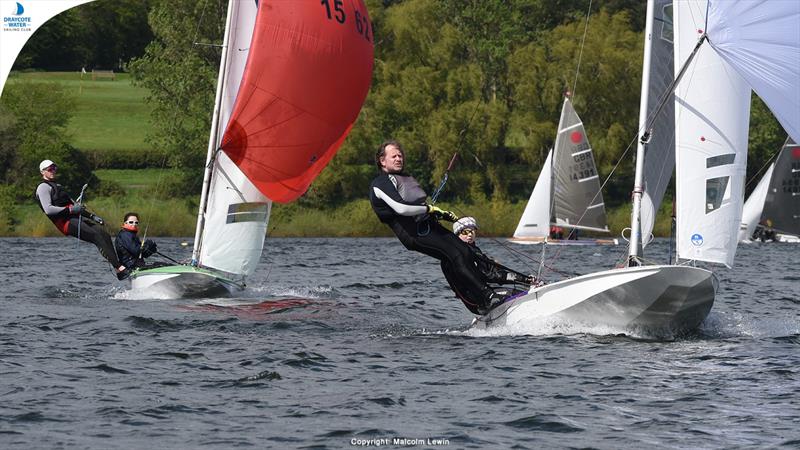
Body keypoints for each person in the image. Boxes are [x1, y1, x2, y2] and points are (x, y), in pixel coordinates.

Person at [369, 140, 506, 314]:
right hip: (414, 235)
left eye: (400, 155)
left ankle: (486, 293)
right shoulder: (379, 183)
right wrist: (429, 208)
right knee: (455, 255)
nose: (398, 158)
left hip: (427, 226)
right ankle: (487, 296)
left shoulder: (403, 178)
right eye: (394, 156)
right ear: (382, 161)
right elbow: (401, 208)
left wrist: (439, 213)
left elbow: (418, 205)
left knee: (465, 251)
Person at [34, 159, 129, 280]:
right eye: (50, 169)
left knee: (104, 234)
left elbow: (74, 205)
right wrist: (70, 210)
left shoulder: (58, 186)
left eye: (54, 168)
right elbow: (48, 209)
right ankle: (120, 268)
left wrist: (92, 216)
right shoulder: (43, 187)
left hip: (75, 217)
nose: (53, 171)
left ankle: (119, 268)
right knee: (97, 237)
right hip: (65, 223)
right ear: (43, 172)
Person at [442, 217, 537, 314]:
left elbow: (494, 269)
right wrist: (523, 280)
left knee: (520, 291)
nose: (470, 234)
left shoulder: (475, 250)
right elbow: (487, 275)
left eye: (472, 231)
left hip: (483, 295)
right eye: (465, 232)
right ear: (457, 235)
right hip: (475, 301)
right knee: (518, 294)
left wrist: (525, 279)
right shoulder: (459, 254)